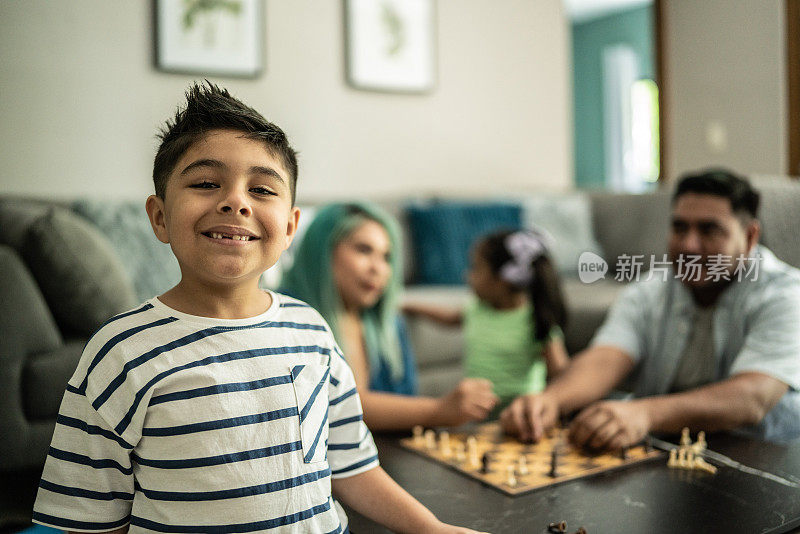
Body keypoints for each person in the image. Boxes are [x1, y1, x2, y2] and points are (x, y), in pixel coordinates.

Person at [32, 82, 486, 534]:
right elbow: (87, 518)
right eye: (207, 183)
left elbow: (353, 466)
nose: (236, 201)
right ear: (160, 217)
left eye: (263, 190)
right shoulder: (120, 352)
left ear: (289, 229)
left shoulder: (312, 331)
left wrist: (432, 528)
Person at [501, 169, 800, 450]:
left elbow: (753, 398)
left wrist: (645, 414)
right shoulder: (650, 289)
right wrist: (551, 400)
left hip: (762, 457)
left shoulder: (785, 294)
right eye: (679, 227)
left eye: (710, 230)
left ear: (749, 237)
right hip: (667, 452)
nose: (690, 245)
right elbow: (607, 357)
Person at [280, 202, 499, 430]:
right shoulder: (287, 316)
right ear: (322, 251)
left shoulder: (390, 323)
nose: (379, 268)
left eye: (386, 257)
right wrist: (438, 410)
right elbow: (331, 406)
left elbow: (404, 399)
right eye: (364, 250)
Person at [403, 228, 570, 413]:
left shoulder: (538, 320)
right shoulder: (476, 309)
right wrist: (411, 306)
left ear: (502, 280)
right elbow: (449, 317)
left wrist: (546, 406)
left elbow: (561, 374)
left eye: (476, 268)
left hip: (521, 416)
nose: (468, 275)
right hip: (477, 413)